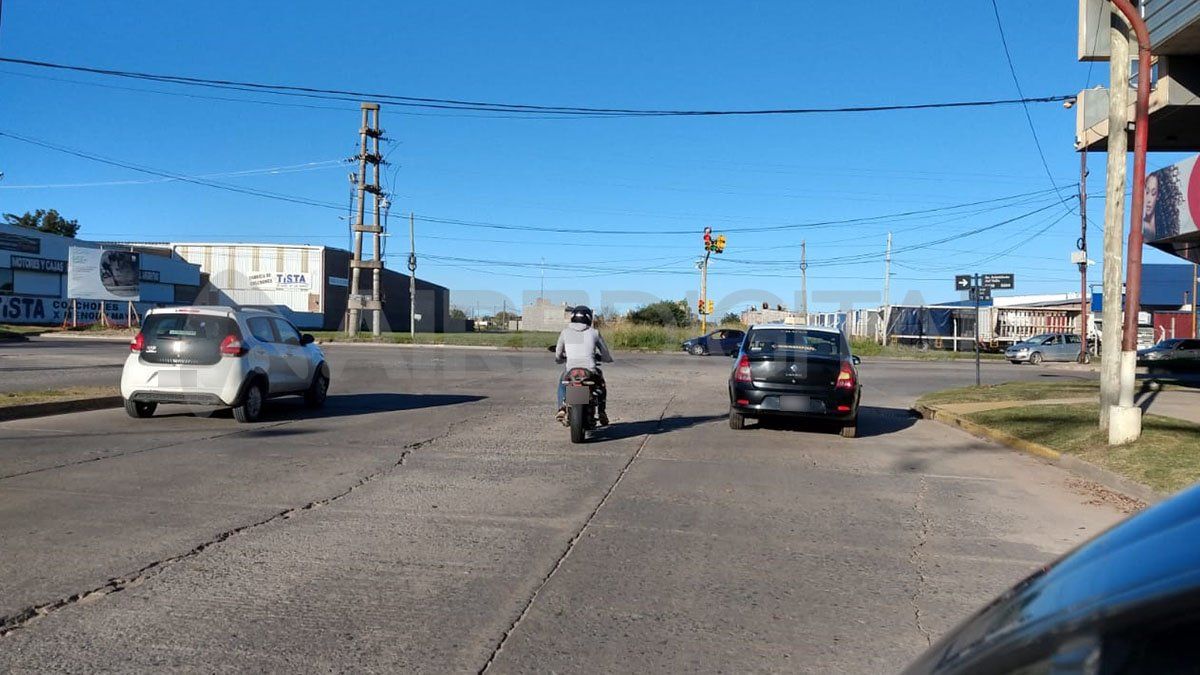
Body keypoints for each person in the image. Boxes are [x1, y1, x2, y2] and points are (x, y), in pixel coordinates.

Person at [554, 305, 613, 426]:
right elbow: (606, 354)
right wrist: (604, 358)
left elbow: (558, 353)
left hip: (571, 370)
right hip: (590, 369)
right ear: (588, 318)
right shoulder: (594, 332)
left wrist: (560, 359)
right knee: (601, 383)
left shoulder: (565, 332)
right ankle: (601, 411)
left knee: (562, 381)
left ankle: (562, 407)